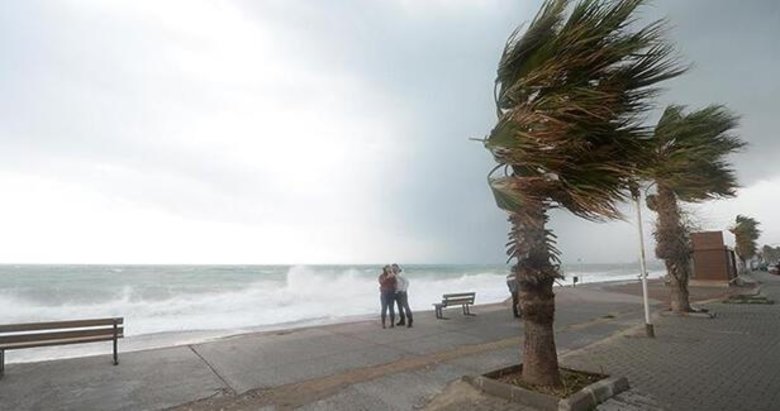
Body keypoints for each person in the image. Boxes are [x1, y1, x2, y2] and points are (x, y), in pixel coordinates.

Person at [392, 263, 413, 328]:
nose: (394, 269)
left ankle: (410, 320)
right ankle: (402, 320)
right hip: (397, 293)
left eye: (395, 268)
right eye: (393, 268)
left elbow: (407, 282)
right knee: (400, 307)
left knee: (406, 306)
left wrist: (403, 291)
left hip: (402, 293)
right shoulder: (395, 275)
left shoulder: (401, 274)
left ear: (398, 268)